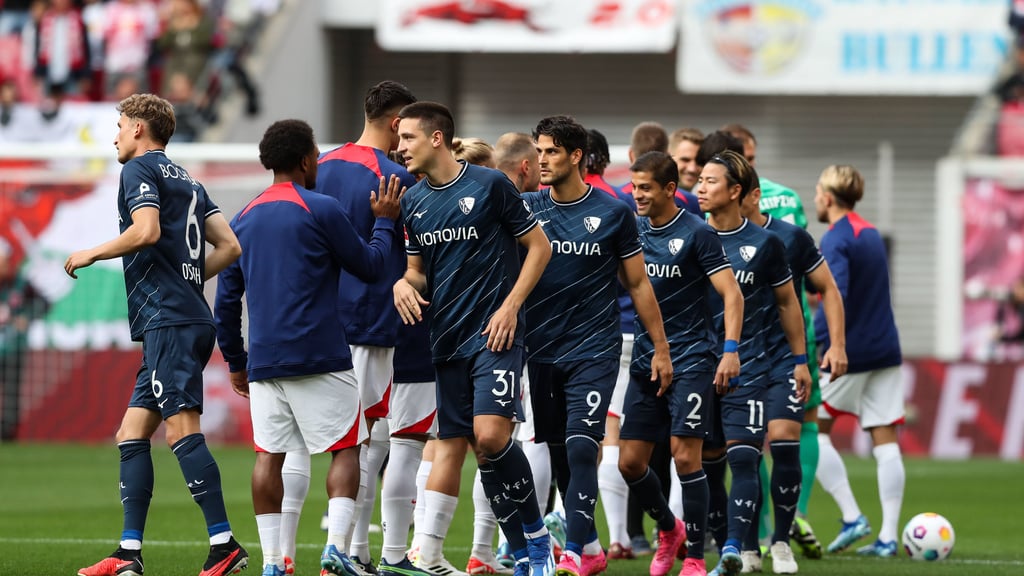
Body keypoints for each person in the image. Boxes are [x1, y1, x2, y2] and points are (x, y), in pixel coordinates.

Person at [65, 93, 247, 576]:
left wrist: (92, 252)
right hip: (182, 317)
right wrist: (188, 280)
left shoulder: (139, 170)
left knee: (181, 429)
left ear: (139, 129)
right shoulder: (188, 179)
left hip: (170, 320)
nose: (115, 137)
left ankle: (224, 544)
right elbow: (230, 246)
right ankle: (128, 553)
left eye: (120, 126)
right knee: (131, 433)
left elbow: (145, 231)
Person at [213, 118, 403, 576]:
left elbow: (225, 303)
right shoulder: (321, 208)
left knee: (269, 456)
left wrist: (237, 362)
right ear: (304, 160)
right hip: (322, 356)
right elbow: (371, 266)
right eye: (316, 154)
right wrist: (384, 222)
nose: (319, 161)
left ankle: (273, 563)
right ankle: (336, 548)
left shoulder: (243, 217)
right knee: (347, 448)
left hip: (265, 362)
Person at [392, 101, 556, 576]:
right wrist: (403, 283)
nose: (400, 147)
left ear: (436, 138)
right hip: (446, 340)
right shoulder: (413, 201)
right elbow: (417, 271)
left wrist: (510, 306)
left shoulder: (490, 185)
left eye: (408, 137)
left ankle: (538, 540)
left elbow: (539, 247)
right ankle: (520, 553)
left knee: (491, 436)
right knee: (483, 453)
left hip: (495, 335)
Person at [268, 80, 418, 576]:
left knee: (291, 442)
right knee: (364, 441)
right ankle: (353, 552)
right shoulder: (396, 177)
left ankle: (283, 557)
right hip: (369, 321)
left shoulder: (320, 166)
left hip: (313, 321)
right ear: (396, 123)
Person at [523, 115, 673, 576]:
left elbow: (638, 284)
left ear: (576, 157)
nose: (542, 160)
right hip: (541, 350)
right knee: (561, 455)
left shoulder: (613, 213)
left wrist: (661, 347)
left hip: (595, 349)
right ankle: (594, 548)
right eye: (538, 151)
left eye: (551, 151)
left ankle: (571, 551)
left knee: (583, 446)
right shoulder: (527, 208)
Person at [617, 151, 743, 576]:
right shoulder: (632, 230)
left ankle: (694, 559)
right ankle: (671, 530)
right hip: (646, 360)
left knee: (685, 458)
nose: (637, 195)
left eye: (646, 188)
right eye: (634, 187)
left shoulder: (697, 233)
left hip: (691, 359)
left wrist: (729, 350)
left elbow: (732, 294)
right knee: (629, 462)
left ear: (670, 189)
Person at [694, 150, 810, 576]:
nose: (700, 188)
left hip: (758, 362)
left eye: (710, 181)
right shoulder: (691, 237)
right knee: (707, 462)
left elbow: (788, 302)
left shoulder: (767, 243)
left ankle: (777, 541)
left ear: (736, 191)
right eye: (700, 180)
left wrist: (801, 361)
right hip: (699, 365)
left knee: (758, 450)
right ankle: (739, 545)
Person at [736, 168, 849, 572]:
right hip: (738, 360)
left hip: (786, 356)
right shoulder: (709, 239)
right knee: (745, 455)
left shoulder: (791, 237)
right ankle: (749, 546)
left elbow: (828, 288)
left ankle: (781, 542)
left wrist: (837, 345)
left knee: (785, 439)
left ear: (750, 196)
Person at [812, 165, 906, 558]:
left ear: (828, 197)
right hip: (886, 349)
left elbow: (836, 295)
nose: (815, 199)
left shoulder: (836, 238)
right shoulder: (870, 233)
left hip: (850, 351)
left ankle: (852, 516)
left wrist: (817, 339)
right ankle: (888, 536)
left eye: (817, 192)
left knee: (809, 432)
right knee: (885, 440)